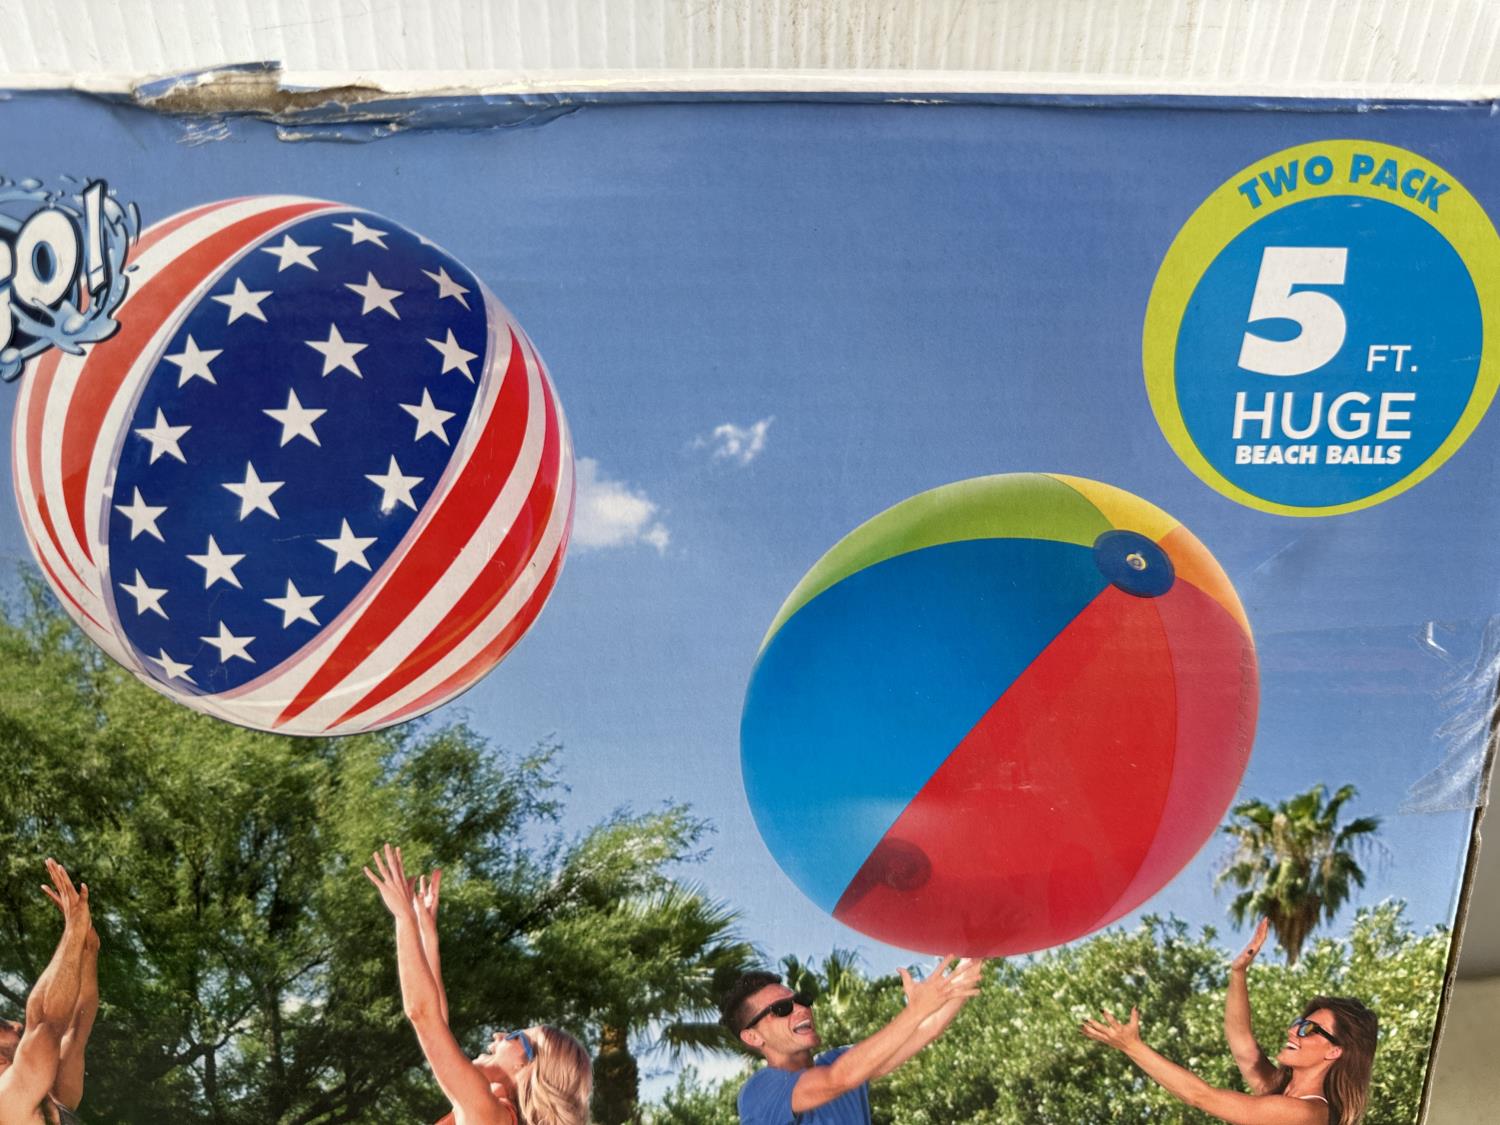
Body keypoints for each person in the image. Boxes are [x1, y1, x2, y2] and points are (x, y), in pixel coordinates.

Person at [365, 845, 592, 1125]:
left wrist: (403, 918)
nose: (499, 1035)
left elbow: (424, 1016)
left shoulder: (489, 1114)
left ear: (526, 1065)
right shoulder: (491, 1112)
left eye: (515, 1036)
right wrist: (427, 938)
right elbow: (436, 1024)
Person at [1081, 917, 1378, 1125]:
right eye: (1298, 1023)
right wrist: (1238, 973)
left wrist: (1132, 1046)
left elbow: (1201, 1097)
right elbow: (1242, 1042)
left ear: (1335, 1050)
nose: (1293, 1030)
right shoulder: (1280, 1090)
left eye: (1308, 1029)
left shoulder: (1306, 1113)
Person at [720, 955, 983, 1124]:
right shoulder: (759, 1092)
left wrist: (975, 954)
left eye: (800, 1000)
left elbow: (928, 1028)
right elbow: (837, 1079)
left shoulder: (840, 1061)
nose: (801, 1009)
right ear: (753, 1036)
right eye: (781, 1009)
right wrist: (916, 1011)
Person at [0, 859, 99, 1125]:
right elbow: (44, 1022)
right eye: (3, 1027)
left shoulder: (52, 1096)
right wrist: (73, 930)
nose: (16, 1025)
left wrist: (88, 949)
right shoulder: (5, 1102)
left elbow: (77, 1027)